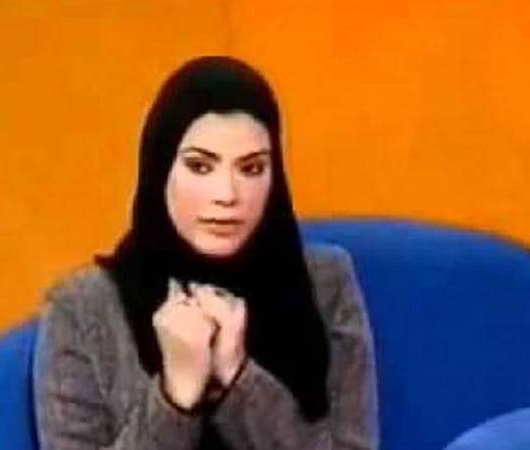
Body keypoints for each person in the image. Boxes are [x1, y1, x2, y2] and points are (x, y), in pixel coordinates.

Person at [33, 56, 379, 450]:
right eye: (200, 167)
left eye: (251, 169)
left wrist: (239, 378)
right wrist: (174, 399)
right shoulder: (82, 310)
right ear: (160, 169)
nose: (227, 195)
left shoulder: (326, 283)